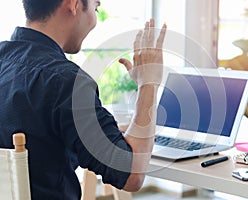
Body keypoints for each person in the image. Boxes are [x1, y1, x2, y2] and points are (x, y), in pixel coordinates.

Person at [0, 0, 167, 199]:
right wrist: (149, 82)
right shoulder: (67, 82)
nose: (95, 20)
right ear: (74, 4)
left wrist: (106, 131)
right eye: (96, 8)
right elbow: (132, 175)